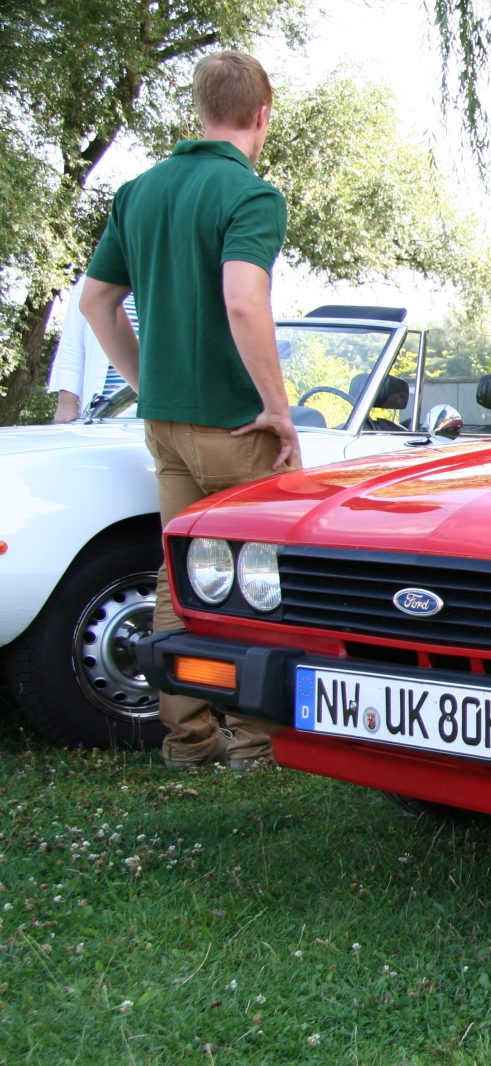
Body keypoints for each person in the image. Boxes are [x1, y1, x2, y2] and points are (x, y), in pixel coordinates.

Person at [79, 49, 294, 772]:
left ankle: (188, 738)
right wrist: (277, 408)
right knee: (253, 579)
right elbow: (243, 299)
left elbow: (96, 302)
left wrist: (147, 384)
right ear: (262, 114)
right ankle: (255, 739)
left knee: (180, 577)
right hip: (235, 422)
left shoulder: (139, 191)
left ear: (200, 110)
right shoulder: (249, 195)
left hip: (165, 425)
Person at [49, 277, 137, 421]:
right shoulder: (94, 281)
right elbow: (72, 345)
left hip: (165, 413)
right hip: (103, 413)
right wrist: (66, 405)